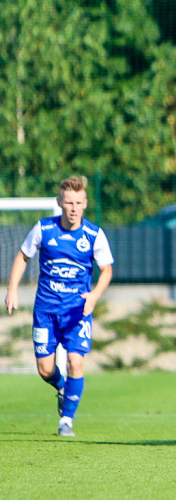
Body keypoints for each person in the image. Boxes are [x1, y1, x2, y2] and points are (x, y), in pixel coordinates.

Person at [5, 176, 114, 437]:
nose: (73, 208)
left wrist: (94, 295)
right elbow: (22, 256)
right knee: (45, 369)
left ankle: (67, 419)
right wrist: (11, 290)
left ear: (85, 203)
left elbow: (106, 270)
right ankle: (62, 387)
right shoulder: (44, 229)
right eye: (68, 202)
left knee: (76, 362)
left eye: (78, 202)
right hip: (46, 312)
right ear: (59, 203)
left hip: (78, 313)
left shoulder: (94, 235)